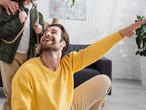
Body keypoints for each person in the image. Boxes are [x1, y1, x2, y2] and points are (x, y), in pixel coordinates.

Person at [11, 19, 146, 110]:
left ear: (63, 44)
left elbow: (95, 50)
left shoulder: (68, 63)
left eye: (53, 32)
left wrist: (121, 33)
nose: (47, 34)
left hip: (67, 107)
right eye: (45, 33)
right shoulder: (27, 71)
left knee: (104, 81)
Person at [0, 0, 45, 110]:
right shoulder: (13, 9)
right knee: (11, 95)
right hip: (10, 57)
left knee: (24, 95)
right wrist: (18, 21)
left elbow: (42, 42)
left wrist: (40, 32)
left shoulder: (38, 15)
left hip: (29, 59)